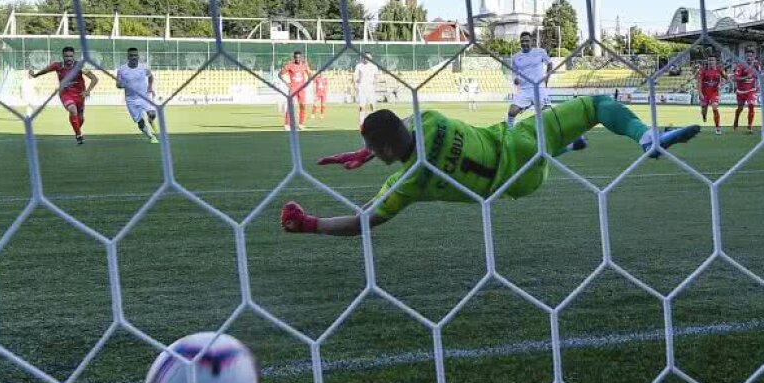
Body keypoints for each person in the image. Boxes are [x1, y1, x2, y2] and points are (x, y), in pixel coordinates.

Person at [279, 97, 700, 235]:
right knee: (596, 105)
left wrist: (311, 223)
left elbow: (363, 222)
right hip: (523, 142)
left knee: (539, 158)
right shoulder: (430, 119)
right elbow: (400, 127)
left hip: (517, 185)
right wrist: (370, 149)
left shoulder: (407, 183)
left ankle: (567, 147)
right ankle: (646, 138)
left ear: (386, 151)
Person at [30, 46, 98, 145]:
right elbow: (45, 70)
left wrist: (88, 91)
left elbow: (94, 78)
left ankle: (76, 131)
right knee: (72, 109)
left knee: (81, 118)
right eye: (66, 56)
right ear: (63, 56)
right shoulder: (57, 65)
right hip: (65, 93)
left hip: (79, 94)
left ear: (74, 56)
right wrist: (35, 75)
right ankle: (79, 135)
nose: (69, 58)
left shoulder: (80, 66)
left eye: (71, 56)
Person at [506, 32, 553, 128]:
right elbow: (514, 71)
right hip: (524, 90)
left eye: (527, 41)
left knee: (548, 114)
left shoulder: (540, 52)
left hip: (538, 88)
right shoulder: (515, 57)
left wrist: (547, 76)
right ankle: (510, 131)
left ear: (532, 41)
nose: (524, 43)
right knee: (511, 112)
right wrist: (515, 79)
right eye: (522, 41)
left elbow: (549, 64)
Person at [116, 47, 158, 143]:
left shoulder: (144, 67)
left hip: (145, 96)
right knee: (140, 122)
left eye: (135, 55)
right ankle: (151, 137)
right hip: (131, 100)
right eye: (131, 55)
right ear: (128, 57)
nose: (133, 57)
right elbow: (118, 84)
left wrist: (150, 87)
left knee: (152, 114)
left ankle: (151, 121)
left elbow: (151, 76)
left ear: (138, 56)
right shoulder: (122, 70)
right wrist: (121, 85)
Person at [280, 51, 312, 130]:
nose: (297, 59)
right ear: (294, 57)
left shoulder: (304, 65)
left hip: (301, 89)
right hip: (293, 89)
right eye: (296, 57)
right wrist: (287, 84)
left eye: (299, 57)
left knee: (303, 106)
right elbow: (280, 74)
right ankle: (287, 124)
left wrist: (307, 82)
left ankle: (301, 124)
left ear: (301, 57)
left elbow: (310, 74)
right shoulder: (290, 65)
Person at [696, 57, 726, 135]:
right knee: (703, 110)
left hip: (714, 93)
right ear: (707, 61)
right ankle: (704, 115)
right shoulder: (703, 71)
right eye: (709, 60)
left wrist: (721, 84)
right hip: (704, 93)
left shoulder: (719, 70)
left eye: (712, 60)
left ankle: (718, 128)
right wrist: (700, 93)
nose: (711, 62)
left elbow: (726, 78)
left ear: (715, 61)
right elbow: (699, 83)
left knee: (715, 107)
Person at [731, 50, 759, 134]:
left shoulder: (757, 66)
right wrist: (746, 77)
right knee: (740, 108)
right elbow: (735, 78)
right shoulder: (740, 66)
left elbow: (758, 76)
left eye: (751, 56)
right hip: (741, 91)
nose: (749, 58)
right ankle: (736, 120)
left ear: (754, 57)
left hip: (751, 90)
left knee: (751, 105)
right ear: (745, 57)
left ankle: (749, 127)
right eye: (748, 56)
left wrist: (758, 85)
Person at [353, 56, 378, 129]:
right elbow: (355, 77)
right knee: (362, 106)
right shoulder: (359, 66)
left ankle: (374, 122)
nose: (366, 59)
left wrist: (375, 84)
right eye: (365, 57)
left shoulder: (374, 67)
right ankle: (361, 123)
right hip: (362, 89)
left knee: (372, 106)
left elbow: (376, 77)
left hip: (370, 89)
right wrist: (358, 81)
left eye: (368, 57)